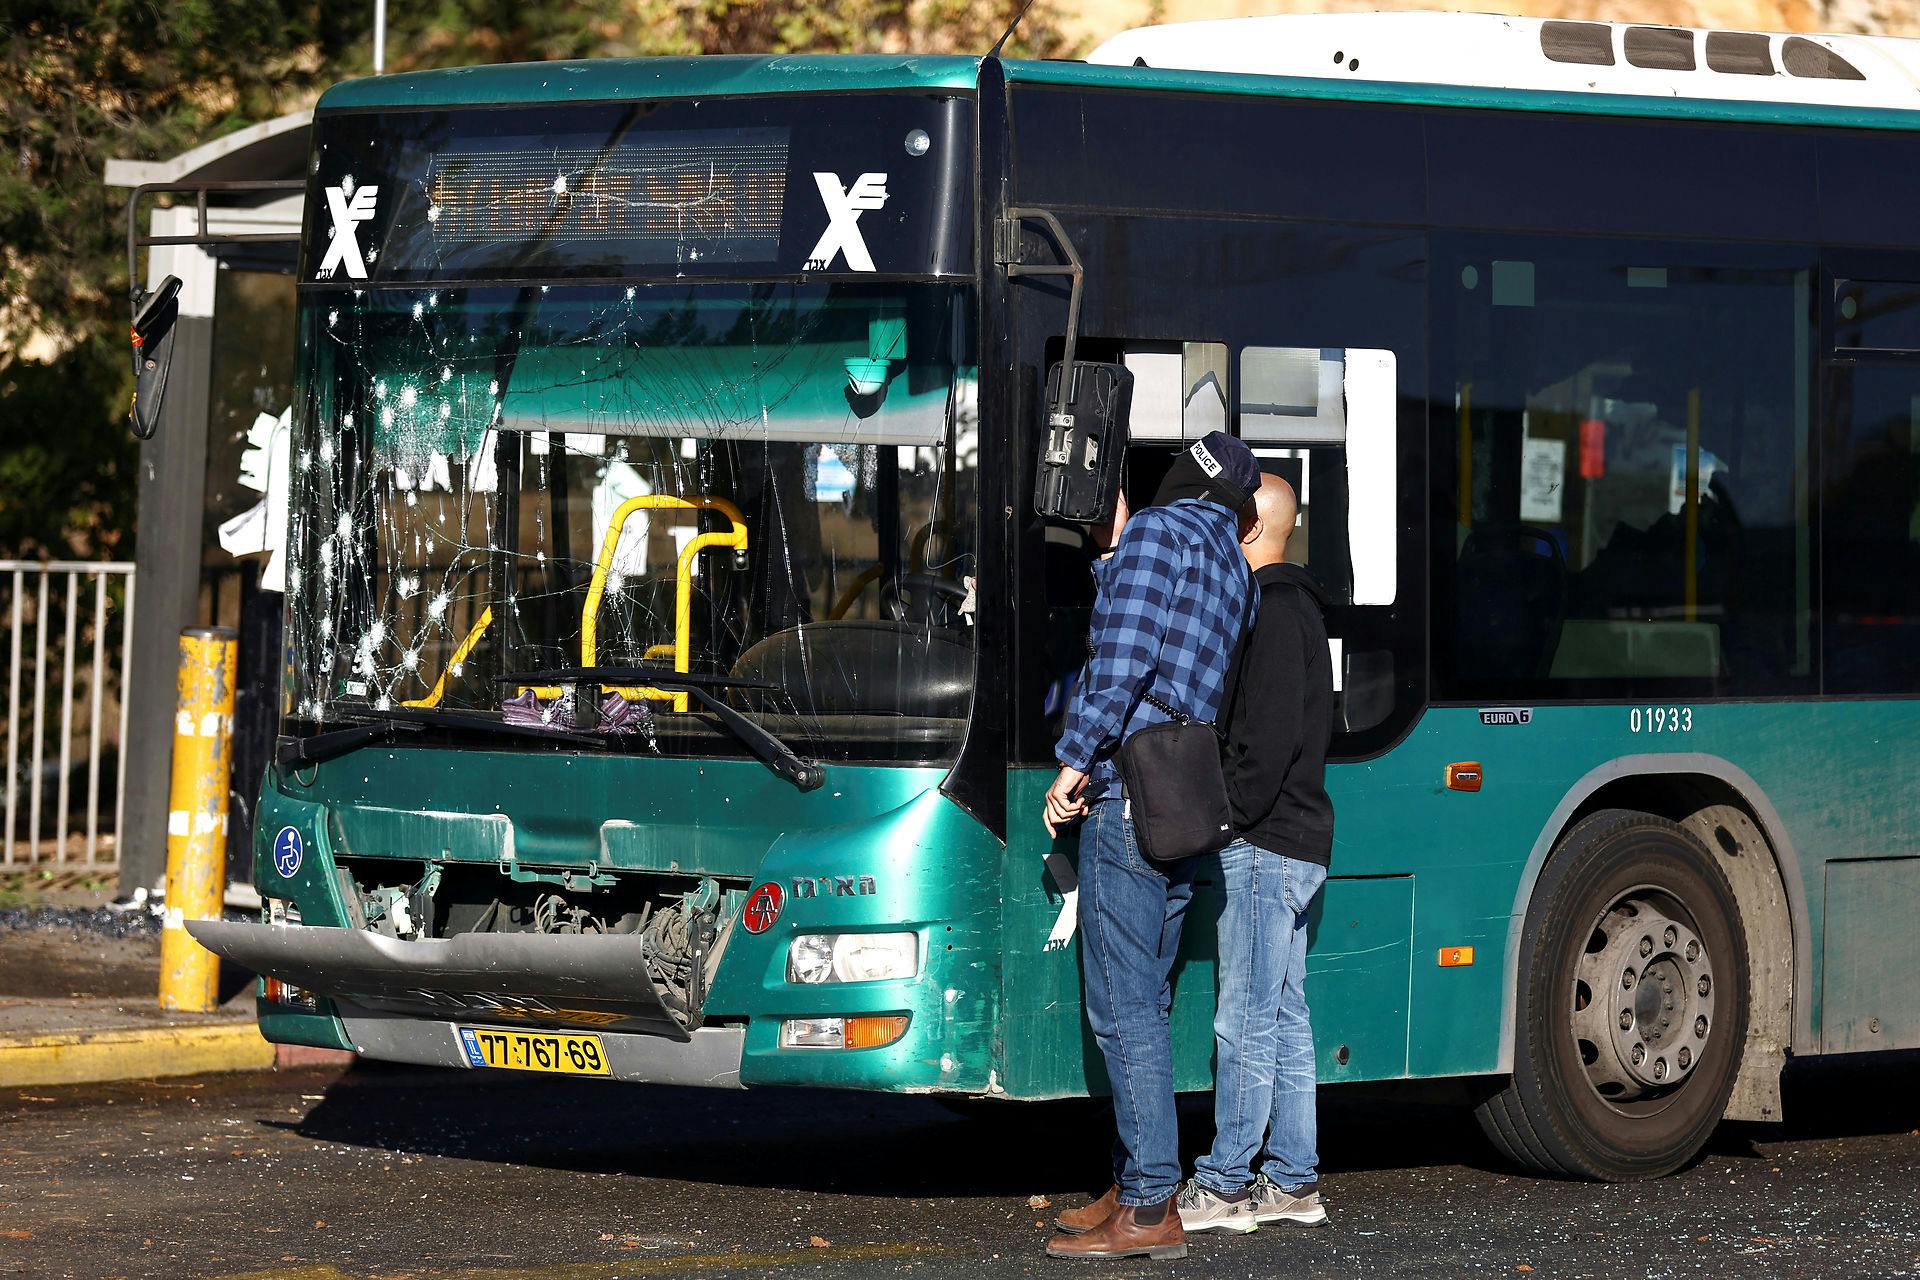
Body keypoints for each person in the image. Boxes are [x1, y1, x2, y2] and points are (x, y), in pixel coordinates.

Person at [1042, 432, 1260, 1263]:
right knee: (1152, 1000)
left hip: (1129, 790)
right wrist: (1118, 553)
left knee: (1122, 1005)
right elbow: (1165, 642)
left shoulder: (1158, 537)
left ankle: (1148, 1205)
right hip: (1185, 797)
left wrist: (1072, 760)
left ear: (1173, 482)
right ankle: (1141, 1177)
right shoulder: (1232, 567)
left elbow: (1126, 657)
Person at [1175, 474, 1337, 1234]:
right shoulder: (1302, 608)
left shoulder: (1270, 612)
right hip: (1299, 839)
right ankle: (1294, 1180)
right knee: (1283, 1013)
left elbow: (1262, 746)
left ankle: (1227, 1183)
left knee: (1244, 1015)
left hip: (1265, 843)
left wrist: (1227, 821)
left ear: (1246, 531)